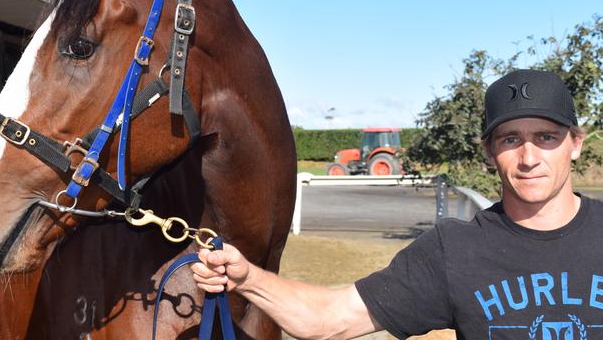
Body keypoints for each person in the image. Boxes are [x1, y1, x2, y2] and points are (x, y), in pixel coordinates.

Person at [192, 69, 601, 339]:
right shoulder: (455, 251)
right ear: (490, 151)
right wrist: (247, 278)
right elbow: (328, 318)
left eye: (546, 137)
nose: (529, 157)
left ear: (576, 144)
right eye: (510, 139)